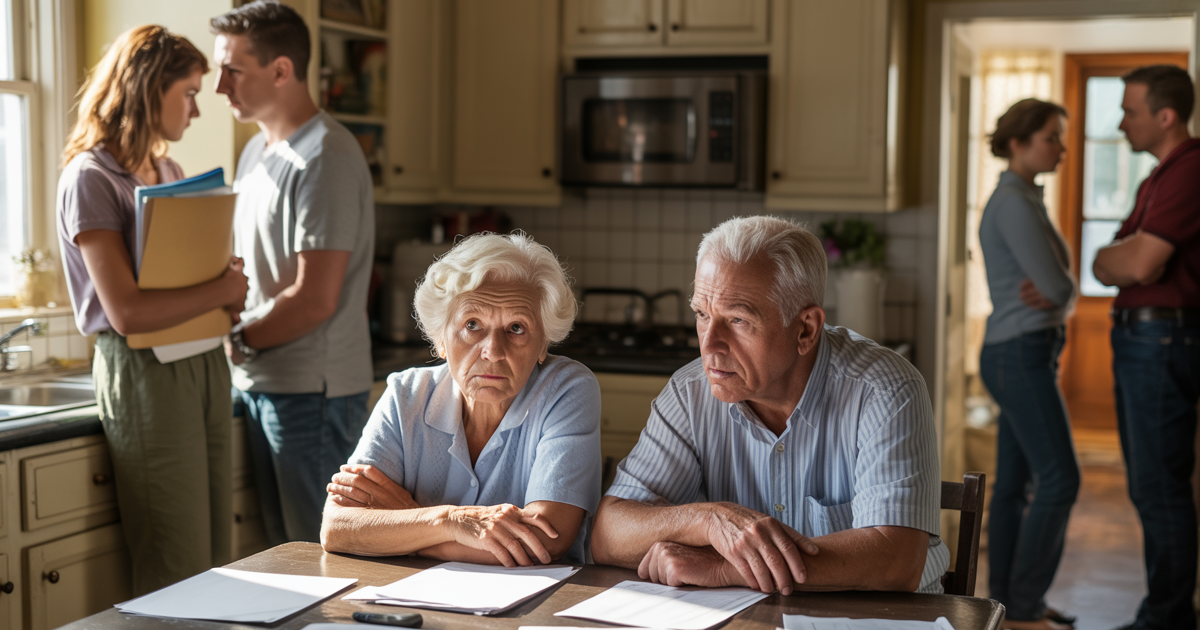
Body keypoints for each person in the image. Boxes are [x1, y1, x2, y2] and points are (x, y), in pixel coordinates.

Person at [590, 215, 948, 594]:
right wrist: (708, 520)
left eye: (739, 320)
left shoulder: (885, 390)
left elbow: (896, 561)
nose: (709, 345)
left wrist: (726, 566)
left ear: (806, 329)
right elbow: (608, 535)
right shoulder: (689, 392)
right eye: (702, 315)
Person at [56, 25, 249, 595]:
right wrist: (219, 291)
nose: (195, 110)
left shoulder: (169, 173)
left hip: (203, 361)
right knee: (177, 560)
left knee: (218, 553)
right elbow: (127, 312)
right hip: (144, 371)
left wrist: (227, 285)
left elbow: (187, 278)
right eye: (187, 92)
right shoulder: (90, 179)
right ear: (147, 89)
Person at [320, 233, 601, 564]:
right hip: (409, 597)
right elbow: (338, 527)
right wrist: (449, 522)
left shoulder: (567, 389)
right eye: (472, 325)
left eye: (516, 328)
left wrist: (405, 520)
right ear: (440, 339)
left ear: (543, 345)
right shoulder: (406, 395)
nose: (493, 351)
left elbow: (541, 540)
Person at [209, 0, 375, 544]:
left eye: (232, 70)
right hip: (266, 381)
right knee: (281, 556)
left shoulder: (325, 155)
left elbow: (314, 299)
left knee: (319, 556)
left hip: (312, 392)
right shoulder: (257, 150)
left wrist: (238, 336)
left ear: (281, 70)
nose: (220, 87)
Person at [1093, 64, 1200, 630]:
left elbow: (1131, 261)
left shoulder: (1189, 169)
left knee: (1159, 487)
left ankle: (1168, 618)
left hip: (1162, 337)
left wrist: (1119, 259)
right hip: (1148, 335)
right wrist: (1116, 258)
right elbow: (1109, 256)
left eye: (1130, 110)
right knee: (1151, 484)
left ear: (1166, 115)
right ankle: (1168, 612)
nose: (1121, 122)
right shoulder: (1159, 176)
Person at [977, 98, 1080, 630]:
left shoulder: (1026, 197)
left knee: (1017, 483)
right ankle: (1025, 605)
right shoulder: (1014, 203)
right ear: (1018, 143)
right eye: (1051, 138)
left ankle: (1008, 606)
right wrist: (1065, 294)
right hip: (1020, 353)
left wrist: (1064, 294)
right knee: (1061, 478)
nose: (1061, 148)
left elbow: (1061, 288)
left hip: (1022, 351)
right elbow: (1060, 285)